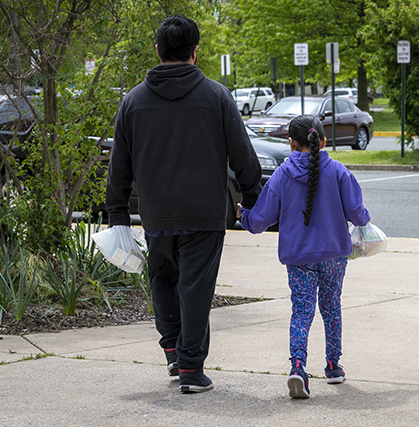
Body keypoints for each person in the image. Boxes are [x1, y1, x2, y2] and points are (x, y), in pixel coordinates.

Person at [106, 15, 262, 394]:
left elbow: (119, 164)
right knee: (196, 288)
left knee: (162, 279)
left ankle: (173, 350)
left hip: (156, 213)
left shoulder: (133, 101)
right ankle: (191, 369)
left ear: (157, 50)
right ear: (195, 52)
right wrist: (253, 197)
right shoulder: (216, 96)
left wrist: (118, 214)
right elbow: (242, 154)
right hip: (204, 214)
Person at [239, 115, 370, 399]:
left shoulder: (281, 175)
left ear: (291, 144)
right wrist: (365, 216)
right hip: (334, 253)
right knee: (331, 307)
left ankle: (298, 366)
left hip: (298, 256)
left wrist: (244, 216)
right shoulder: (338, 171)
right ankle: (333, 366)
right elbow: (358, 214)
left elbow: (261, 220)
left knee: (302, 311)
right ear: (323, 141)